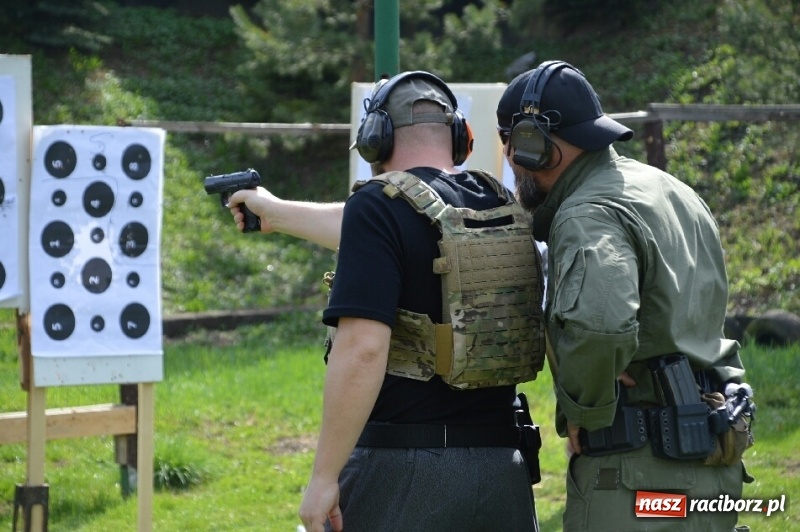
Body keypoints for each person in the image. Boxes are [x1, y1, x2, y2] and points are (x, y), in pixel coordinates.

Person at [231, 71, 542, 532]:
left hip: (403, 473)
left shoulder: (378, 209)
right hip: (504, 473)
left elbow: (363, 349)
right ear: (458, 136)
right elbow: (386, 226)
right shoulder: (498, 203)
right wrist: (275, 212)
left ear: (375, 139)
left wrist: (322, 477)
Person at [495, 60, 752, 531]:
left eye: (509, 143)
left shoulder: (585, 213)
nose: (509, 159)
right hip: (713, 466)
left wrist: (586, 412)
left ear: (531, 144)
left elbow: (601, 325)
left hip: (637, 473)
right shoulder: (670, 189)